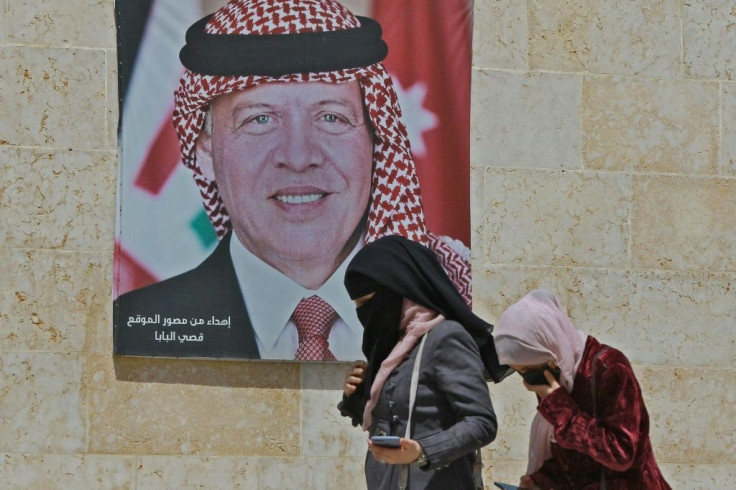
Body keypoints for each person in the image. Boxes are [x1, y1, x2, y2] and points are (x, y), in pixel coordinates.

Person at [113, 0, 472, 361]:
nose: (299, 158)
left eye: (331, 118)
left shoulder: (459, 302)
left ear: (376, 140)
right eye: (260, 120)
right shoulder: (140, 327)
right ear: (205, 153)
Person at [338, 235, 510, 490]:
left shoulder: (446, 337)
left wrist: (423, 451)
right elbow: (393, 413)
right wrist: (356, 394)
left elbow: (482, 423)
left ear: (394, 290)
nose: (363, 313)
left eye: (366, 303)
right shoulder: (397, 343)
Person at [493, 289, 671, 489]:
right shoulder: (559, 375)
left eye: (530, 371)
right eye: (521, 373)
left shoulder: (609, 368)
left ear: (551, 348)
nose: (528, 384)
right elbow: (574, 457)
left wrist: (561, 409)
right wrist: (541, 480)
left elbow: (620, 453)